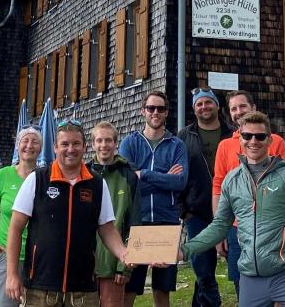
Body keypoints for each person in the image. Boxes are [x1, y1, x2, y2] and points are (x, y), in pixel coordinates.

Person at [181, 111, 285, 307]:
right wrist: (185, 250)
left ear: (269, 140)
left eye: (260, 136)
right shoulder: (232, 180)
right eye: (247, 136)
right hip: (250, 277)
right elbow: (220, 226)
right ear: (240, 139)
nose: (253, 141)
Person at [5, 119, 129, 306]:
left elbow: (107, 228)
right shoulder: (37, 179)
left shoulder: (96, 183)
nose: (70, 149)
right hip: (41, 286)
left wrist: (123, 253)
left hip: (82, 287)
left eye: (76, 144)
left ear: (85, 147)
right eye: (65, 144)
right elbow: (15, 228)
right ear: (55, 147)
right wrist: (12, 274)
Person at [211, 89, 285, 295]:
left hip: (273, 227)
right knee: (243, 285)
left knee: (278, 284)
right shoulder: (225, 146)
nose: (238, 112)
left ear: (253, 108)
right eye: (233, 109)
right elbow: (218, 187)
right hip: (238, 227)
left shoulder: (275, 141)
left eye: (242, 106)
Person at [118, 91, 188, 307]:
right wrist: (165, 176)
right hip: (137, 221)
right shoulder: (130, 143)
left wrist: (145, 174)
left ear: (166, 113)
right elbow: (128, 181)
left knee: (162, 289)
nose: (155, 112)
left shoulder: (176, 145)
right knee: (130, 286)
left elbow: (180, 182)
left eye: (160, 109)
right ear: (143, 111)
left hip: (166, 221)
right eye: (151, 108)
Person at [177, 88, 232, 307]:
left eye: (208, 103)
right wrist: (184, 211)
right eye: (199, 104)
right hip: (197, 213)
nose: (204, 107)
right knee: (203, 269)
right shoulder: (184, 136)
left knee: (233, 266)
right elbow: (177, 173)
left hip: (229, 210)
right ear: (193, 108)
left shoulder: (232, 133)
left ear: (217, 106)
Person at [0, 126, 43, 307]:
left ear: (40, 148)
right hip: (7, 253)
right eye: (25, 141)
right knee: (4, 303)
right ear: (17, 146)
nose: (29, 145)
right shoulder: (3, 175)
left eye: (34, 141)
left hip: (38, 254)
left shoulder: (45, 176)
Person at [88, 121, 141, 307]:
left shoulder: (128, 176)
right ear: (93, 144)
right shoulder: (83, 174)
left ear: (115, 143)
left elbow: (134, 224)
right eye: (99, 140)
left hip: (114, 266)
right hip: (85, 266)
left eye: (108, 140)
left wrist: (124, 267)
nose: (104, 145)